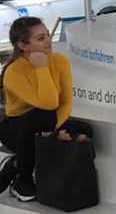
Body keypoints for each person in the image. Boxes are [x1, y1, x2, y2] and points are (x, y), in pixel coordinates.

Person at [0, 17, 93, 202]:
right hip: (16, 128)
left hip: (48, 122)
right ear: (23, 45)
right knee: (43, 116)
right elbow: (49, 104)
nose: (49, 40)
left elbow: (65, 103)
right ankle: (23, 180)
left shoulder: (60, 61)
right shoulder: (14, 72)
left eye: (48, 34)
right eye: (41, 38)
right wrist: (41, 68)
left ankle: (17, 164)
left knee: (85, 130)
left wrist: (53, 129)